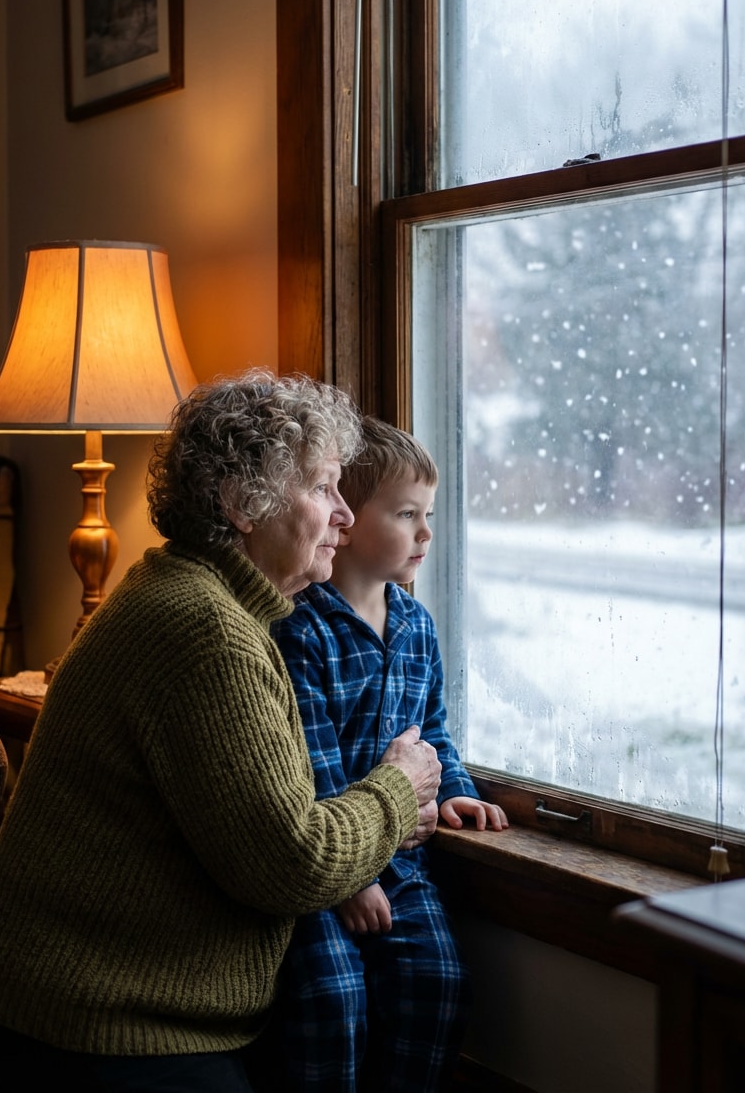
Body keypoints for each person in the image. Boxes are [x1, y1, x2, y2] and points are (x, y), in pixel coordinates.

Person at [0, 372, 443, 1093]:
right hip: (91, 1024)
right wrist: (399, 789)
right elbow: (295, 864)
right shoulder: (205, 630)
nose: (344, 514)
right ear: (242, 503)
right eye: (323, 488)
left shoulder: (195, 594)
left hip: (106, 1007)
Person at [269, 416, 508, 1093]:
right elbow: (311, 766)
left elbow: (432, 731)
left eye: (428, 515)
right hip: (322, 875)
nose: (426, 533)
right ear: (344, 521)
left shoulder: (416, 626)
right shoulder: (300, 628)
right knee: (332, 1000)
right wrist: (348, 882)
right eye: (407, 515)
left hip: (404, 865)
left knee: (438, 982)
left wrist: (456, 789)